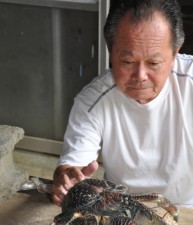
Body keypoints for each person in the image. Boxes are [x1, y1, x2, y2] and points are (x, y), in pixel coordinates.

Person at [52, 0, 193, 209]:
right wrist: (67, 178)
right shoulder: (93, 100)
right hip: (122, 212)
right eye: (127, 62)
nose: (140, 76)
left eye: (153, 63)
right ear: (111, 52)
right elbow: (74, 163)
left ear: (174, 54)